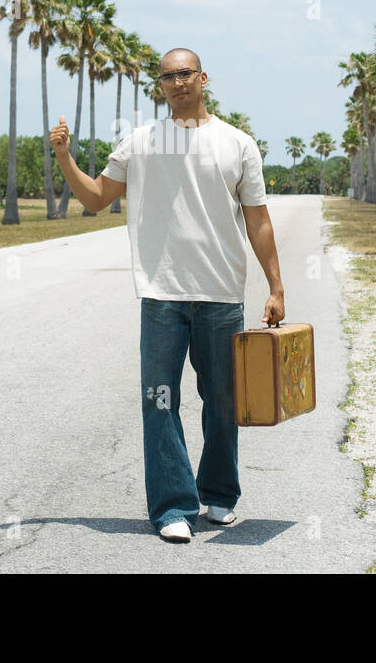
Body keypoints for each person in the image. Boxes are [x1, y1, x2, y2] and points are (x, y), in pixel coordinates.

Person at [50, 47, 285, 543]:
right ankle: (172, 507)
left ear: (203, 78)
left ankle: (219, 495)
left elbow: (258, 219)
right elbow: (95, 199)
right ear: (160, 86)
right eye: (166, 77)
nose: (176, 83)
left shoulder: (237, 143)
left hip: (222, 293)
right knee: (159, 402)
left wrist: (276, 286)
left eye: (184, 74)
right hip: (161, 295)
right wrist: (64, 157)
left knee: (222, 401)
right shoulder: (140, 142)